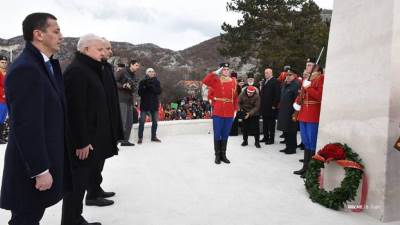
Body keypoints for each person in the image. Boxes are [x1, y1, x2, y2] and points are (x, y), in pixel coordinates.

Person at [0, 12, 71, 225]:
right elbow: (25, 125)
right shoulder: (26, 69)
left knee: (30, 216)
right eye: (56, 31)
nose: (61, 36)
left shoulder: (43, 65)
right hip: (29, 167)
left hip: (41, 159)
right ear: (38, 34)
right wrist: (40, 169)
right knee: (25, 218)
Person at [62, 34, 118, 225]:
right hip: (84, 141)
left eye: (104, 49)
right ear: (85, 49)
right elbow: (75, 110)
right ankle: (71, 220)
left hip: (92, 137)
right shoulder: (77, 71)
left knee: (80, 180)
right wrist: (82, 141)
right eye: (99, 49)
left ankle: (74, 218)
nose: (104, 53)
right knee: (77, 182)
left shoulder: (89, 68)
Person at [84, 38, 124, 207]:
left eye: (108, 48)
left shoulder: (105, 67)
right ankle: (91, 194)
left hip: (107, 118)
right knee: (95, 159)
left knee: (101, 158)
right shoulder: (92, 69)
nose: (109, 51)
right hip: (97, 122)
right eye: (105, 48)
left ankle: (96, 187)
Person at [203, 63, 238, 164]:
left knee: (225, 134)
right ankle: (217, 155)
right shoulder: (216, 80)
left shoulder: (234, 82)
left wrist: (235, 110)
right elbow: (205, 81)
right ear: (221, 71)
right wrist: (214, 73)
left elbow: (235, 98)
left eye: (227, 69)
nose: (226, 71)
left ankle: (224, 154)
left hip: (229, 111)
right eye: (224, 69)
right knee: (217, 133)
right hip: (218, 111)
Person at [293, 64, 325, 178]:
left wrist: (308, 87)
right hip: (303, 114)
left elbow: (319, 96)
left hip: (313, 114)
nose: (312, 72)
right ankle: (305, 167)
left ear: (320, 72)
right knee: (306, 141)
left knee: (312, 142)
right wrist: (297, 102)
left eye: (314, 70)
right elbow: (302, 94)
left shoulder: (321, 79)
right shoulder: (307, 80)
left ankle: (311, 170)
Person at [115, 59, 140, 146]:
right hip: (121, 99)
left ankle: (125, 141)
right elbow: (114, 81)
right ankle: (115, 142)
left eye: (138, 65)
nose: (138, 67)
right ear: (131, 65)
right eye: (136, 65)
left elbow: (135, 89)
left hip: (130, 100)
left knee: (129, 122)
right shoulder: (122, 71)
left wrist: (132, 87)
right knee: (122, 121)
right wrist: (123, 86)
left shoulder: (135, 76)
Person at [277, 70, 300, 154]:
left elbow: (297, 100)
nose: (288, 76)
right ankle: (287, 147)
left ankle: (292, 148)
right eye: (287, 75)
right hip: (284, 111)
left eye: (290, 75)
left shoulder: (296, 85)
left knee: (291, 131)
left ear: (294, 76)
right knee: (285, 130)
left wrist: (295, 113)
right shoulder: (285, 84)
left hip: (291, 111)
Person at [137, 68, 162, 144]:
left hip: (154, 104)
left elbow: (159, 91)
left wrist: (151, 87)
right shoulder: (142, 81)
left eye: (152, 72)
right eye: (149, 72)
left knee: (155, 122)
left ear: (154, 73)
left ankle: (153, 137)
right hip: (145, 103)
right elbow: (139, 93)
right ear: (146, 73)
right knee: (142, 121)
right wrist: (145, 86)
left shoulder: (157, 82)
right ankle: (140, 138)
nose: (151, 73)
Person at [259, 68, 281, 145]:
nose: (266, 74)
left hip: (271, 107)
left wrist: (274, 105)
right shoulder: (264, 81)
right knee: (265, 123)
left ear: (271, 73)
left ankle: (271, 139)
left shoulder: (276, 81)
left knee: (271, 124)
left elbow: (277, 95)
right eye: (265, 73)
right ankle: (265, 137)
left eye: (268, 73)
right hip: (264, 106)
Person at [0, 55, 8, 144]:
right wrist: (2, 94)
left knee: (2, 119)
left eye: (5, 62)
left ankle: (1, 136)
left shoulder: (7, 73)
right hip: (0, 99)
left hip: (6, 101)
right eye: (2, 62)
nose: (4, 64)